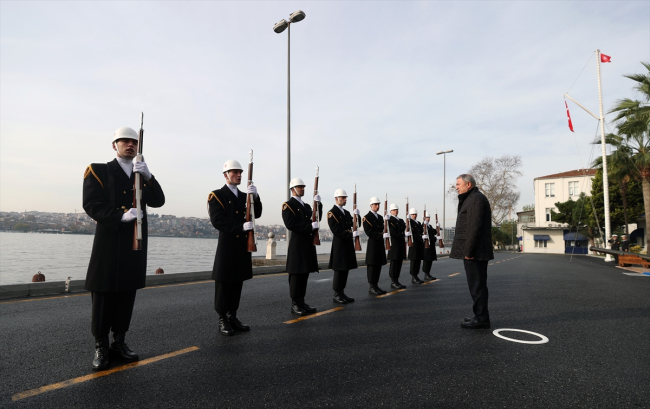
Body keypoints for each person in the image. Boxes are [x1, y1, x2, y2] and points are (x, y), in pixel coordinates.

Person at [83, 126, 165, 370]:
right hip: (109, 240)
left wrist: (149, 177)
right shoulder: (98, 170)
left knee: (127, 293)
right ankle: (101, 344)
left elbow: (159, 201)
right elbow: (91, 204)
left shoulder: (141, 172)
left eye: (133, 142)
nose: (130, 145)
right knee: (103, 294)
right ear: (114, 145)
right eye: (124, 141)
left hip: (134, 242)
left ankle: (119, 342)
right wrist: (120, 215)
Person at [208, 159, 262, 336]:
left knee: (237, 282)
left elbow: (257, 213)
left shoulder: (244, 196)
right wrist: (239, 227)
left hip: (241, 246)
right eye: (234, 172)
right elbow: (218, 220)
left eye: (240, 172)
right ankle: (222, 318)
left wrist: (256, 197)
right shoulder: (217, 195)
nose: (238, 175)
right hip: (227, 245)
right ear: (226, 175)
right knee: (224, 283)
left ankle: (233, 316)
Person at [450, 174, 494, 329]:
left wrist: (468, 251)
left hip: (475, 252)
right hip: (475, 251)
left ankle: (482, 318)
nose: (456, 187)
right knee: (476, 285)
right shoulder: (472, 198)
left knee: (477, 285)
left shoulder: (475, 199)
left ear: (468, 184)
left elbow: (473, 228)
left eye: (458, 184)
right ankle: (479, 315)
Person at [282, 178, 322, 316]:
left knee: (304, 274)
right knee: (296, 275)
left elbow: (316, 217)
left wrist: (319, 204)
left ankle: (302, 301)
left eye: (303, 187)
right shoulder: (288, 205)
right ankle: (295, 303)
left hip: (306, 244)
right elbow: (291, 224)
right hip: (297, 244)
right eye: (300, 187)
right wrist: (309, 227)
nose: (302, 189)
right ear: (293, 189)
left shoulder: (306, 206)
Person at [327, 188, 359, 304]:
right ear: (337, 198)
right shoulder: (332, 213)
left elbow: (355, 224)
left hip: (347, 244)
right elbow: (336, 230)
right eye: (343, 198)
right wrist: (350, 234)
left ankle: (342, 292)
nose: (345, 200)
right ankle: (336, 294)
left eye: (345, 198)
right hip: (340, 244)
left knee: (345, 269)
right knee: (339, 270)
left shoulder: (346, 213)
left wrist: (357, 216)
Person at [362, 197, 388, 295]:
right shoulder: (367, 217)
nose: (377, 206)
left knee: (378, 265)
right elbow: (369, 232)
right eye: (375, 204)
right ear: (371, 205)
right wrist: (381, 235)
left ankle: (376, 285)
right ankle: (372, 286)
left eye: (378, 204)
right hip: (373, 245)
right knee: (372, 266)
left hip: (380, 244)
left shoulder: (381, 217)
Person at [386, 204, 407, 289]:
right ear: (390, 211)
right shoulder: (390, 220)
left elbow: (403, 227)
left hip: (400, 244)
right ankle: (393, 281)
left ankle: (397, 280)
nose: (396, 211)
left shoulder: (400, 220)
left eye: (396, 209)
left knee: (399, 263)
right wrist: (402, 234)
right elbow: (393, 232)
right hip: (394, 245)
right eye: (394, 210)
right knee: (394, 264)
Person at [407, 208, 425, 284]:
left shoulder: (418, 223)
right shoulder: (409, 222)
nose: (414, 215)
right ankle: (413, 276)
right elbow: (413, 234)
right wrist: (420, 237)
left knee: (418, 261)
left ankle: (416, 276)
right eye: (413, 214)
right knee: (414, 261)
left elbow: (421, 230)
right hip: (414, 244)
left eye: (415, 214)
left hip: (419, 244)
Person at [421, 212, 438, 281]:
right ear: (424, 218)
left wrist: (437, 226)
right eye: (426, 217)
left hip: (431, 246)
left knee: (430, 260)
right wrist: (434, 238)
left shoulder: (429, 226)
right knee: (427, 260)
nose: (428, 219)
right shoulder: (423, 226)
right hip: (426, 246)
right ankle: (426, 274)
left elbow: (434, 232)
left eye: (428, 218)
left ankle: (428, 273)